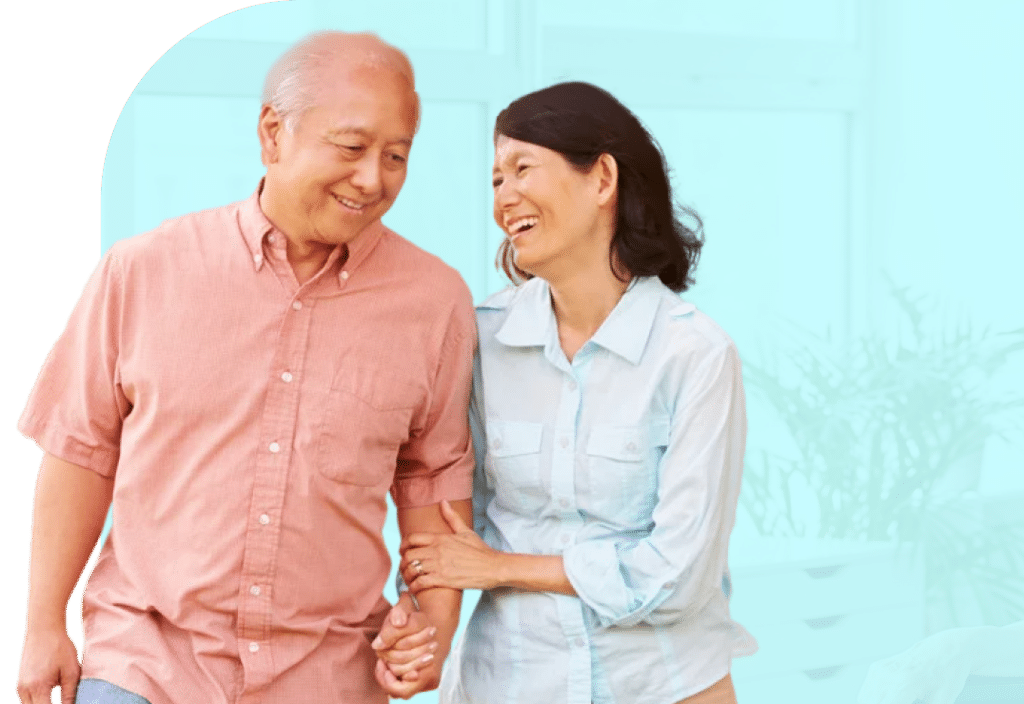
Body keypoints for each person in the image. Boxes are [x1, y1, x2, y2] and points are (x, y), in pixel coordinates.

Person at [15, 31, 473, 704]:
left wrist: (430, 627)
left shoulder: (435, 303)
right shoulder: (142, 270)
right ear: (273, 133)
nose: (373, 179)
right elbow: (81, 451)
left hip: (328, 672)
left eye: (396, 156)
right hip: (147, 657)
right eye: (351, 148)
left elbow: (431, 478)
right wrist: (41, 623)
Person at [376, 81, 757, 703]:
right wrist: (416, 623)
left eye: (523, 168)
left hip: (663, 686)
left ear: (602, 179)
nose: (504, 197)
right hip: (510, 683)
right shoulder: (481, 341)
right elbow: (444, 518)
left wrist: (505, 569)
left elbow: (680, 575)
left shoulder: (693, 354)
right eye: (496, 180)